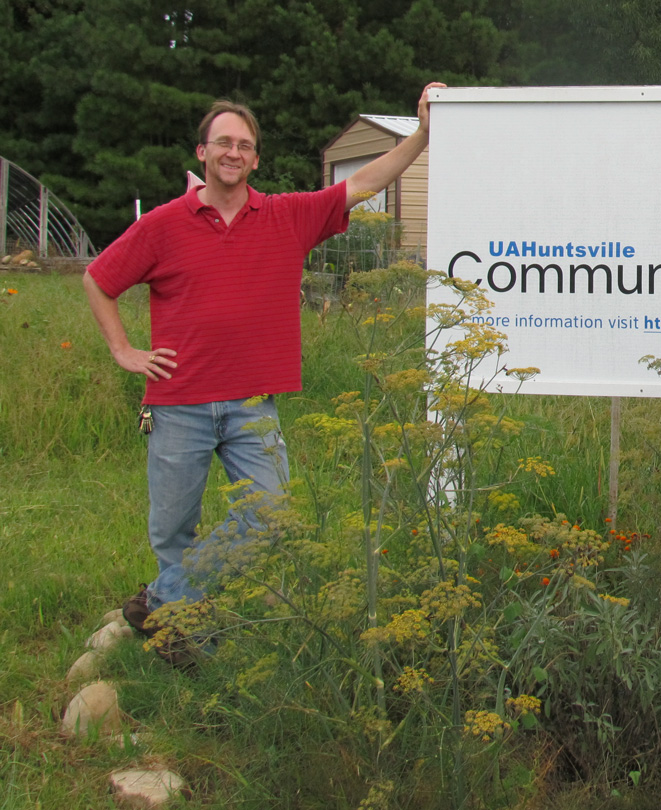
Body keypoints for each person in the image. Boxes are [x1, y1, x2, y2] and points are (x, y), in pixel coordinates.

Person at [83, 83, 446, 657]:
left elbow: (369, 181)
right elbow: (99, 280)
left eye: (244, 145)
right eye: (222, 142)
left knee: (272, 516)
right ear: (202, 152)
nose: (233, 152)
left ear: (255, 159)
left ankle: (159, 603)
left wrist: (425, 131)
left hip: (253, 404)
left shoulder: (286, 217)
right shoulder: (161, 225)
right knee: (173, 531)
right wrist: (123, 351)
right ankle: (183, 638)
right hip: (178, 403)